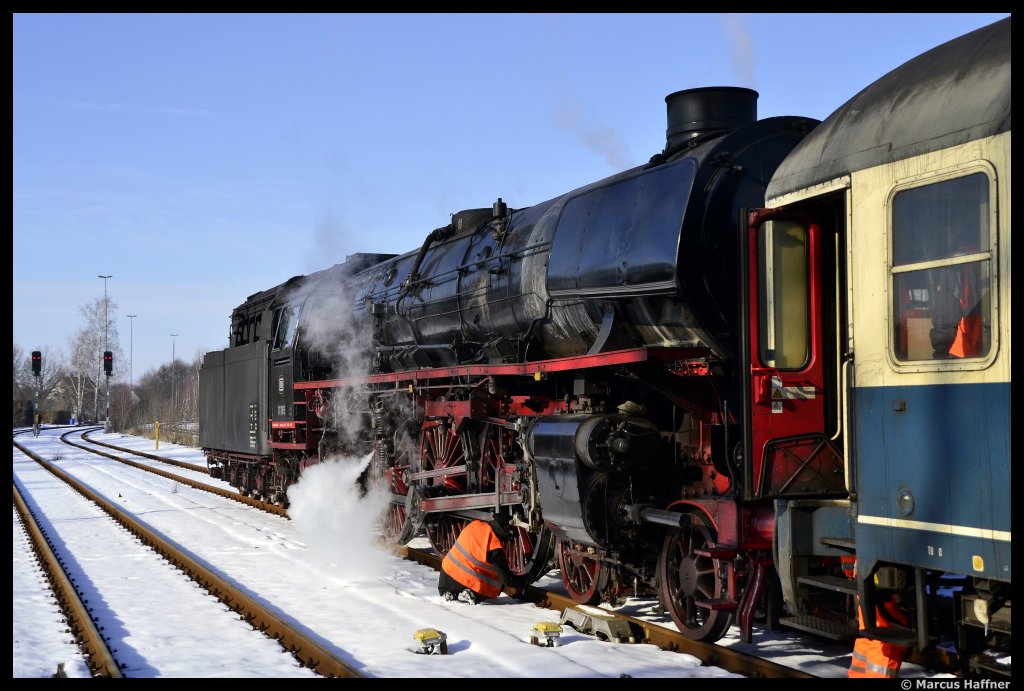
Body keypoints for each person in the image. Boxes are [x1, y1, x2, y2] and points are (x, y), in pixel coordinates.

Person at [438, 513, 526, 604]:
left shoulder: (475, 524)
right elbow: (506, 578)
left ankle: (449, 592)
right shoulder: (494, 545)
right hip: (467, 580)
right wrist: (522, 583)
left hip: (447, 572)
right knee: (496, 582)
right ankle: (475, 594)